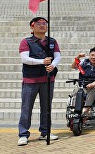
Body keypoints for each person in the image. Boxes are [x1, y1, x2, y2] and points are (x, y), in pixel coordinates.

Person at [18, 17, 61, 146]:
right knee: (26, 108)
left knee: (46, 107)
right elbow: (25, 59)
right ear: (32, 27)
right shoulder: (26, 42)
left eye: (44, 23)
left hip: (48, 79)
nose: (42, 25)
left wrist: (52, 65)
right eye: (38, 24)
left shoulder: (52, 41)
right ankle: (23, 134)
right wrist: (42, 62)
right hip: (31, 80)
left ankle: (45, 132)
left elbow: (58, 56)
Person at [71, 47, 95, 117]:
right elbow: (73, 66)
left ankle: (86, 108)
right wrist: (78, 57)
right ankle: (74, 109)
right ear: (89, 55)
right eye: (92, 55)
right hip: (83, 84)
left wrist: (93, 84)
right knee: (77, 91)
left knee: (92, 89)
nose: (94, 57)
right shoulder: (84, 62)